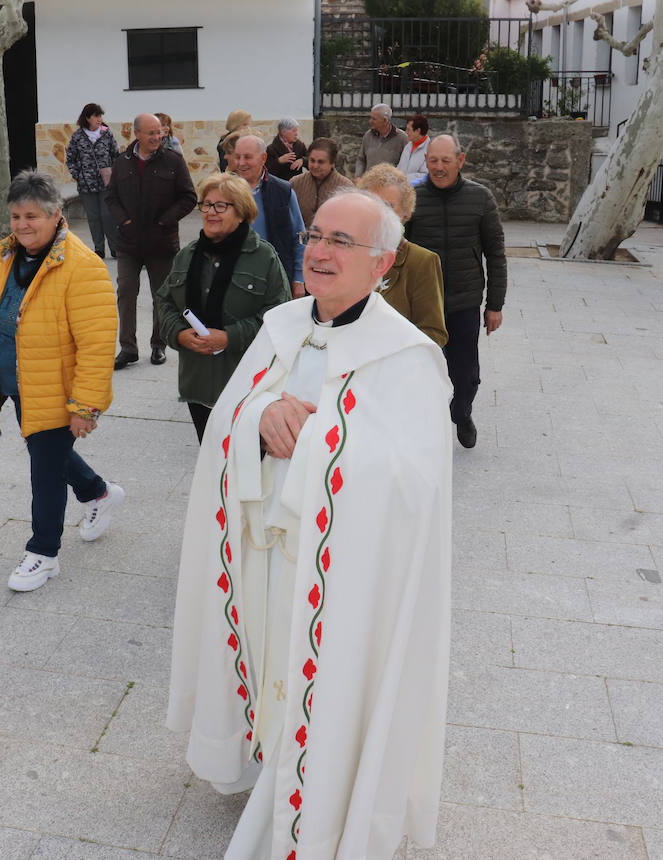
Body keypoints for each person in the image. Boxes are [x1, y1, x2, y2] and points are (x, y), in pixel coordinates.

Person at [167, 189, 454, 860]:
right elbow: (230, 421)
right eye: (315, 235)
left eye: (341, 243)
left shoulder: (407, 357)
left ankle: (319, 794)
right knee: (267, 659)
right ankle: (269, 762)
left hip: (335, 574)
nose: (319, 252)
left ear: (383, 263)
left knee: (321, 683)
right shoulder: (282, 326)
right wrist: (259, 418)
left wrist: (318, 436)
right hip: (262, 549)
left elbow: (411, 485)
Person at [0, 170, 123, 592]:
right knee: (45, 449)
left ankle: (43, 553)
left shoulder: (82, 266)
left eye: (32, 215)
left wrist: (85, 407)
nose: (23, 224)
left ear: (55, 214)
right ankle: (99, 493)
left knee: (44, 469)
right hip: (17, 380)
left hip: (57, 385)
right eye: (15, 216)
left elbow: (98, 344)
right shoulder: (3, 256)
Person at [157, 172, 292, 441]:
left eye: (221, 206)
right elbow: (164, 301)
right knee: (210, 465)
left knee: (246, 466)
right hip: (198, 383)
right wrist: (179, 334)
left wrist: (230, 337)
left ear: (241, 212)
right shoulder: (188, 255)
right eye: (206, 204)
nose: (210, 212)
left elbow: (280, 317)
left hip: (246, 385)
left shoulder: (263, 257)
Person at [405, 134, 506, 449]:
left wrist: (495, 305)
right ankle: (419, 426)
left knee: (466, 375)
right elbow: (398, 251)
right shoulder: (413, 196)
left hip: (464, 301)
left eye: (445, 161)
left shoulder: (481, 198)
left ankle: (461, 412)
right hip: (423, 304)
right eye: (432, 160)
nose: (438, 167)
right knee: (419, 372)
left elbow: (496, 253)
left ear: (460, 161)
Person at [106, 113, 198, 370]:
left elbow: (189, 197)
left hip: (161, 243)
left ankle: (159, 344)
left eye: (159, 132)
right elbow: (111, 197)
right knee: (126, 292)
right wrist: (124, 221)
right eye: (151, 133)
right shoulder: (122, 162)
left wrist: (164, 222)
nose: (157, 137)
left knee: (162, 296)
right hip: (128, 243)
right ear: (136, 134)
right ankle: (128, 348)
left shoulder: (173, 161)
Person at [356, 163, 448, 347]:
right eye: (373, 204)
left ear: (405, 213)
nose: (380, 213)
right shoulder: (351, 253)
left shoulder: (421, 261)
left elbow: (434, 333)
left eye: (388, 207)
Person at [230, 134, 306, 299]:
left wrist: (299, 278)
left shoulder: (283, 191)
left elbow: (299, 235)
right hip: (233, 276)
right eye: (237, 157)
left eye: (247, 157)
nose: (241, 163)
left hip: (275, 277)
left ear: (263, 158)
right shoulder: (224, 191)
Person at [65, 102, 119, 258]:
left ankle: (114, 248)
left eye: (100, 115)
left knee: (107, 216)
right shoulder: (77, 136)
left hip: (106, 183)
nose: (99, 119)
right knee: (94, 217)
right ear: (87, 117)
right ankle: (99, 248)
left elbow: (115, 155)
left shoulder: (107, 134)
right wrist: (79, 175)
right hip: (86, 185)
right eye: (96, 116)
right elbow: (71, 159)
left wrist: (113, 174)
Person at [288, 137, 352, 227]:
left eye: (321, 162)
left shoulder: (345, 187)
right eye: (312, 160)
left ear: (332, 163)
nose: (315, 166)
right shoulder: (295, 182)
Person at [355, 103, 408, 176]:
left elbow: (406, 164)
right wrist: (358, 176)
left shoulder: (402, 138)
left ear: (385, 121)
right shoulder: (368, 135)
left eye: (374, 119)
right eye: (371, 118)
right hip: (368, 183)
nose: (370, 121)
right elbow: (361, 159)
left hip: (390, 185)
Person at [264, 117, 307, 182]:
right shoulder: (271, 149)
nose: (296, 134)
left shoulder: (300, 146)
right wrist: (278, 161)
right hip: (279, 186)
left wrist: (303, 160)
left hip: (298, 185)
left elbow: (310, 159)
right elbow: (266, 172)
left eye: (296, 130)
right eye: (293, 131)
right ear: (283, 132)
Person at [396, 114, 430, 185]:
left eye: (408, 130)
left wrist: (404, 180)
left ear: (418, 131)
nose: (406, 132)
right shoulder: (408, 146)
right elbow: (400, 169)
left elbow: (426, 176)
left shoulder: (430, 149)